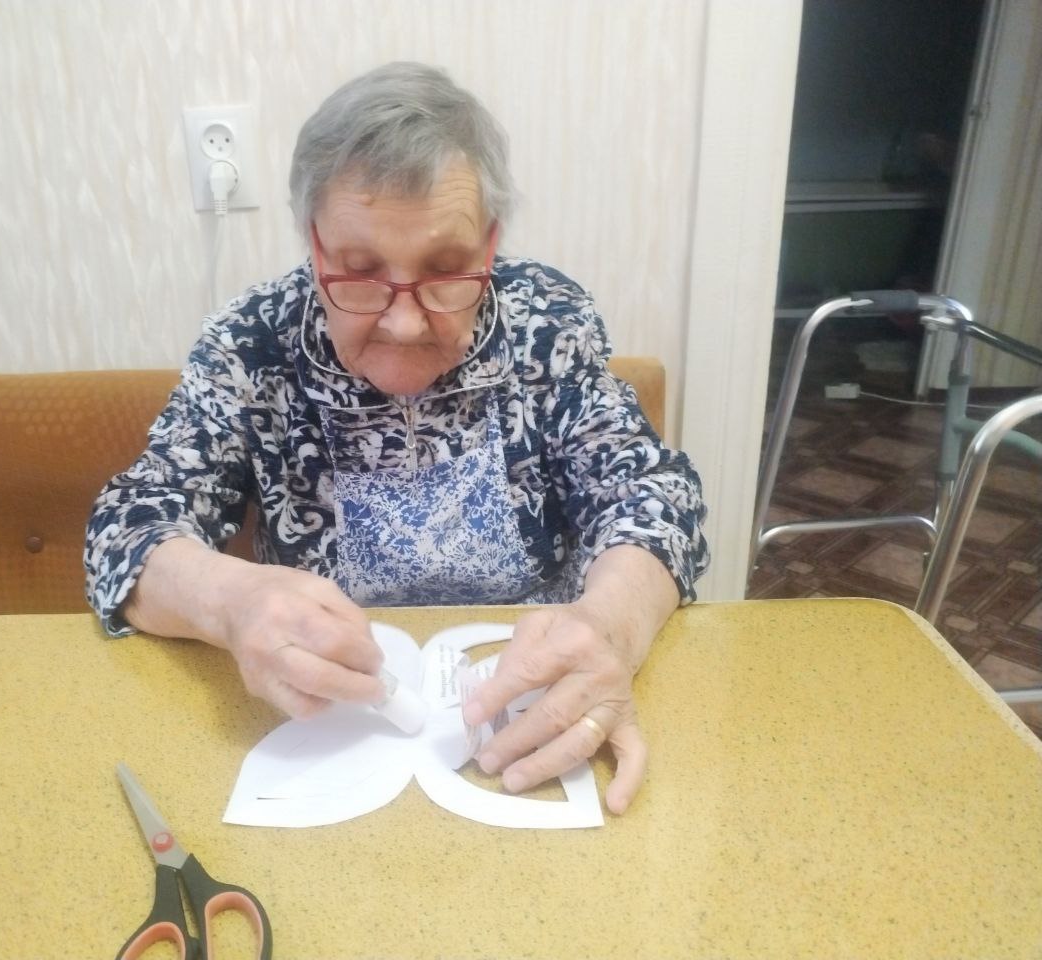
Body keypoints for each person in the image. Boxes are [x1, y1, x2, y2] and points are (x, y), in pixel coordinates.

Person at [85, 62, 709, 815]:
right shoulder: (251, 344)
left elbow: (652, 496)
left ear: (490, 245)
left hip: (532, 719)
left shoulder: (547, 320)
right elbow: (130, 526)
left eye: (447, 272)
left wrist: (609, 627)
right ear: (314, 246)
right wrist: (230, 602)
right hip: (324, 739)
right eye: (359, 273)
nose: (406, 322)